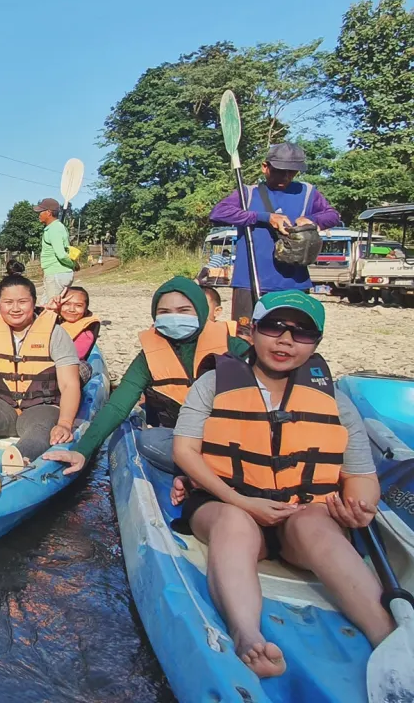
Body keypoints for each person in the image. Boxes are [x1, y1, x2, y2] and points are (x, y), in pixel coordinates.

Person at [171, 292, 390, 678]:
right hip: (227, 503)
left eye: (302, 333)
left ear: (316, 343)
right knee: (234, 523)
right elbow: (185, 451)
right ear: (252, 331)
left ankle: (389, 638)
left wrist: (360, 508)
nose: (286, 340)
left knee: (314, 523)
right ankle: (247, 635)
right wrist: (240, 501)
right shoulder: (213, 384)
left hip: (300, 516)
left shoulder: (335, 402)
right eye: (274, 327)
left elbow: (361, 476)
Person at [41, 276, 251, 477]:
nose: (174, 317)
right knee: (149, 439)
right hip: (186, 443)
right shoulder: (149, 356)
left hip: (235, 440)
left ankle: (211, 472)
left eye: (184, 310)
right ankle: (203, 473)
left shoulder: (235, 347)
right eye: (164, 312)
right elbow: (118, 405)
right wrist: (82, 451)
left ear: (201, 310)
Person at [210, 142, 342, 331]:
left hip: (294, 283)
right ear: (265, 167)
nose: (286, 177)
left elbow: (333, 216)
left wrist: (312, 219)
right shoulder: (248, 193)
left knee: (291, 335)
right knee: (245, 336)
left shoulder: (307, 192)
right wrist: (265, 217)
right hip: (250, 280)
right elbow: (218, 213)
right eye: (280, 171)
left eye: (292, 172)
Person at [0, 272, 81, 460]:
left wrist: (65, 424)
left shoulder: (55, 334)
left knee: (41, 429)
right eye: (8, 302)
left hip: (41, 408)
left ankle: (19, 458)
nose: (15, 308)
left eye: (22, 302)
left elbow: (69, 384)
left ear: (34, 302)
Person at [46, 285, 99, 385]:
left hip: (67, 367)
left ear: (85, 308)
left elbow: (73, 357)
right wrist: (49, 310)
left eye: (78, 305)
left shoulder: (86, 331)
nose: (72, 309)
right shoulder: (52, 318)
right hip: (43, 365)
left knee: (83, 366)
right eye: (66, 304)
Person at [34, 197, 77, 302]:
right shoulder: (55, 227)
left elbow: (61, 254)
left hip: (57, 274)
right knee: (44, 305)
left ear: (49, 212)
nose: (39, 214)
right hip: (55, 273)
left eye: (41, 212)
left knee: (51, 307)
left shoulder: (54, 229)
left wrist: (73, 264)